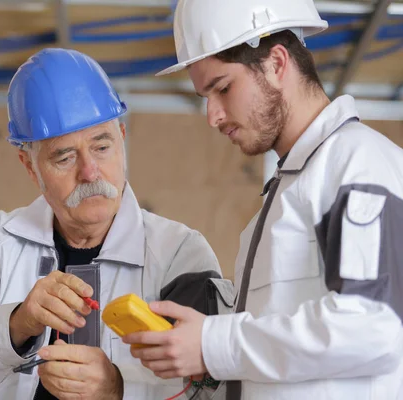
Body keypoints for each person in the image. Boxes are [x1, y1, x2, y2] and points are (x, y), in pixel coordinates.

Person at [0, 48, 230, 399]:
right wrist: (15, 325)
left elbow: (214, 385)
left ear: (122, 138)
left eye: (102, 147)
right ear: (31, 168)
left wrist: (120, 388)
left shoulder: (178, 256)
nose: (90, 172)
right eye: (65, 156)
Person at [123, 0, 403, 399]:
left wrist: (212, 344)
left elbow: (372, 326)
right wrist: (200, 346)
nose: (212, 116)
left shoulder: (356, 165)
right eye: (205, 95)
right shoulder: (283, 197)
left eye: (222, 88)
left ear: (276, 63)